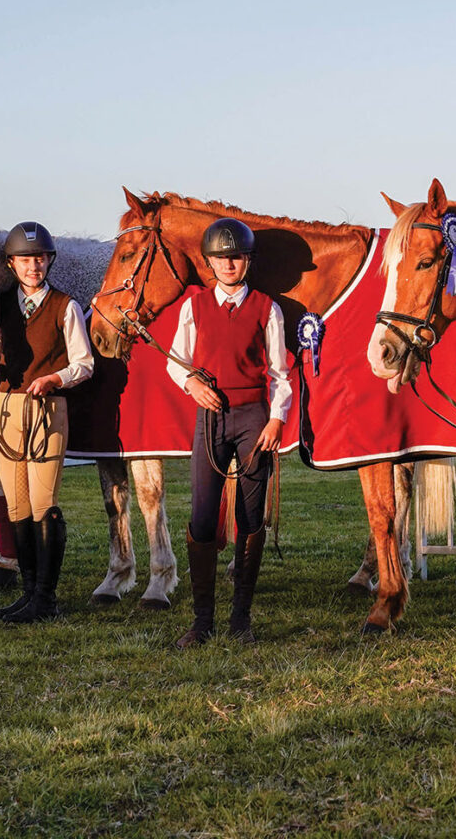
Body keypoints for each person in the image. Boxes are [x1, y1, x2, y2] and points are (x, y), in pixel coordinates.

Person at [167, 217, 291, 647]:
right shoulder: (194, 305)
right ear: (210, 264)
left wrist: (276, 418)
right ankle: (202, 620)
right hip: (210, 418)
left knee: (250, 515)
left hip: (253, 417)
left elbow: (279, 371)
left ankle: (241, 616)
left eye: (236, 257)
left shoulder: (265, 307)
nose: (229, 264)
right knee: (202, 514)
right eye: (221, 258)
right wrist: (192, 384)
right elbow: (176, 359)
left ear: (248, 260)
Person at [0, 222, 94, 623]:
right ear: (11, 263)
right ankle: (27, 594)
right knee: (18, 505)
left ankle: (47, 597)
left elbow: (84, 363)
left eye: (39, 258)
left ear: (48, 261)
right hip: (8, 407)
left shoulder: (66, 306)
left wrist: (55, 378)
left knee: (44, 504)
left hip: (47, 408)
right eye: (25, 259)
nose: (33, 266)